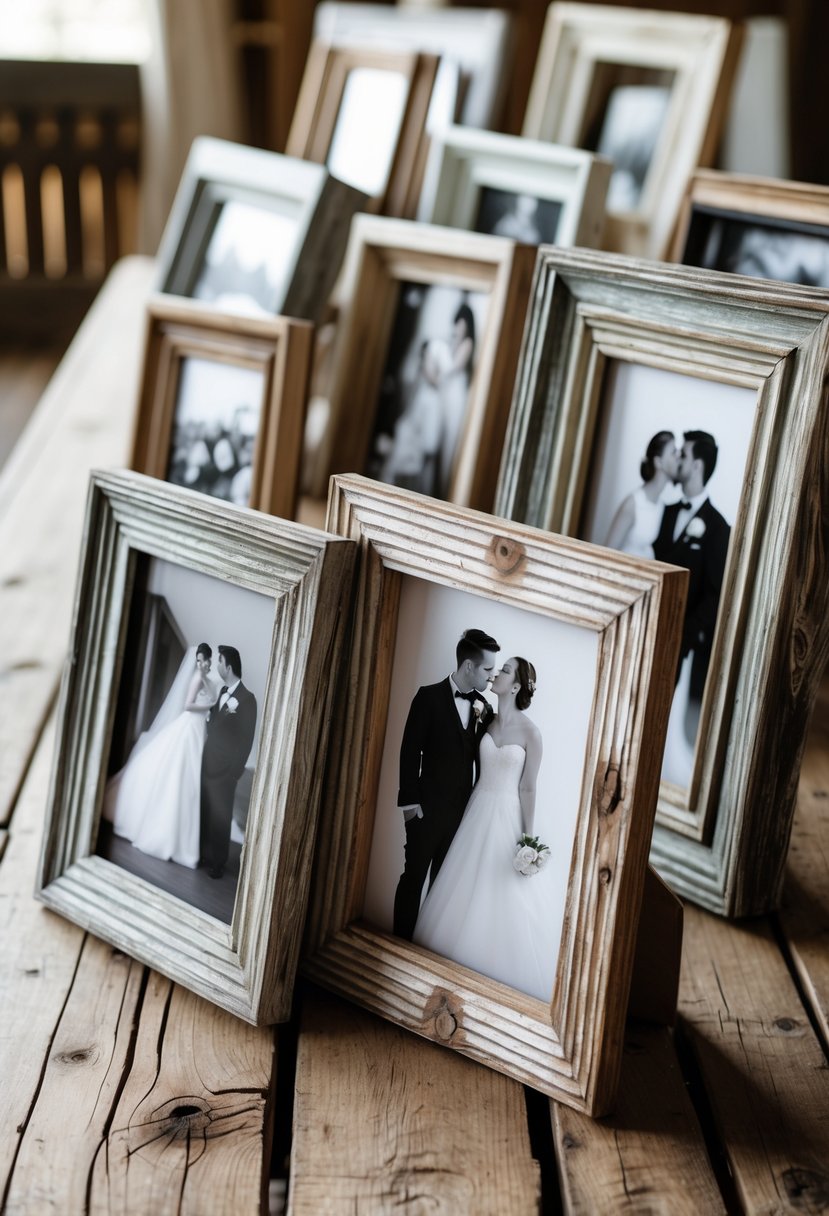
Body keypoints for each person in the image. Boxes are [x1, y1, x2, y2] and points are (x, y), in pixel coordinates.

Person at [413, 657, 557, 1003]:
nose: (496, 674)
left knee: (501, 894)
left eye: (504, 671)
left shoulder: (531, 733)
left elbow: (528, 788)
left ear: (517, 686)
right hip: (475, 811)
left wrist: (528, 839)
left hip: (506, 815)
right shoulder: (484, 719)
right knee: (461, 884)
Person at [392, 628, 500, 941]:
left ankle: (426, 948)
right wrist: (410, 807)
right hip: (425, 813)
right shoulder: (427, 697)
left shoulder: (485, 708)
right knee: (413, 879)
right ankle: (400, 942)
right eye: (487, 669)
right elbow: (409, 751)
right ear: (469, 666)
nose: (491, 677)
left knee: (443, 888)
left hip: (462, 817)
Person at [653, 430, 730, 784]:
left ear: (696, 464)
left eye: (682, 455)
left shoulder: (716, 528)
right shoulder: (663, 511)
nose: (678, 460)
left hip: (678, 643)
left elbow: (716, 593)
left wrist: (685, 633)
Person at [103, 642, 218, 868]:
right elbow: (187, 705)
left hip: (198, 730)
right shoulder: (196, 679)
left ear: (209, 661)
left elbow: (209, 701)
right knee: (177, 773)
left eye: (205, 661)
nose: (202, 664)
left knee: (190, 780)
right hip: (188, 728)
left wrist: (210, 706)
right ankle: (162, 835)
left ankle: (181, 838)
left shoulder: (209, 681)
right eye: (199, 661)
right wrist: (207, 706)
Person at [200, 645, 257, 879]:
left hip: (226, 771)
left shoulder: (247, 699)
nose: (218, 666)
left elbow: (247, 738)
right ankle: (202, 854)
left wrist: (235, 772)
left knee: (221, 816)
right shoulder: (222, 691)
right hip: (208, 763)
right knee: (205, 810)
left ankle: (218, 862)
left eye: (220, 662)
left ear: (229, 666)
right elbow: (213, 726)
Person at [604, 431, 678, 558]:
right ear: (658, 462)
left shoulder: (661, 506)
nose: (678, 457)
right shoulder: (633, 504)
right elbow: (606, 553)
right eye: (673, 452)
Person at [438, 303, 476, 494]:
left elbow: (453, 368)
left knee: (451, 438)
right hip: (447, 393)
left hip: (456, 395)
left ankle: (446, 486)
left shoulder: (468, 343)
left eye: (462, 325)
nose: (459, 329)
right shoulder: (455, 341)